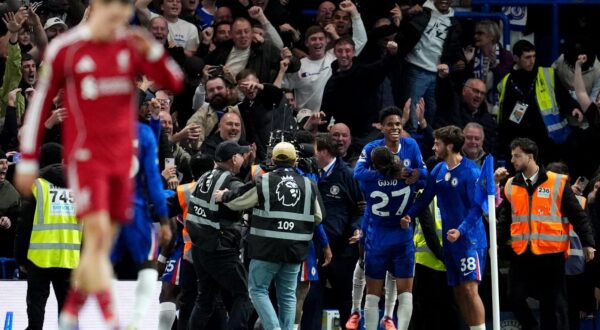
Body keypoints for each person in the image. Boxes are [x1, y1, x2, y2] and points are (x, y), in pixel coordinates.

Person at [14, 0, 183, 327]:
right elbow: (39, 104)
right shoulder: (67, 49)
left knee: (104, 246)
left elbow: (173, 83)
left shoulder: (131, 46)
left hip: (118, 165)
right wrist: (28, 160)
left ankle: (85, 315)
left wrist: (152, 49)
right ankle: (107, 320)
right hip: (85, 161)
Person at [214, 142, 323, 330]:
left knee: (257, 290)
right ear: (295, 161)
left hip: (266, 249)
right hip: (295, 250)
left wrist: (224, 196)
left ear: (273, 160)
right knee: (288, 295)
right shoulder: (308, 184)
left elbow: (239, 200)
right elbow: (318, 217)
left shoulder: (264, 181)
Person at [497, 138, 596, 330]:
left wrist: (588, 243)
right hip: (522, 252)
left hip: (551, 254)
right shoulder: (511, 185)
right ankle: (532, 327)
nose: (512, 160)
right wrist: (497, 243)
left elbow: (578, 216)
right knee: (513, 296)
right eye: (511, 156)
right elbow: (504, 218)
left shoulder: (556, 182)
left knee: (551, 304)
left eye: (517, 156)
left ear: (530, 156)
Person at [402, 125, 487, 330]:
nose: (433, 148)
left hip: (470, 241)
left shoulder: (470, 171)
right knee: (458, 291)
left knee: (469, 289)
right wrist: (409, 215)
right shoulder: (439, 170)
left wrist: (461, 230)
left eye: (437, 144)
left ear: (448, 146)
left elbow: (477, 209)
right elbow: (426, 197)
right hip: (451, 244)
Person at [351, 106, 427, 330]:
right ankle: (360, 313)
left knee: (380, 291)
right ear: (381, 127)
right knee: (387, 288)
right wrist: (396, 175)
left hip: (389, 231)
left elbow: (424, 173)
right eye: (390, 124)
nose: (395, 128)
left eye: (397, 124)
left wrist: (417, 174)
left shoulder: (410, 146)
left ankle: (379, 319)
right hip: (388, 229)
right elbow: (358, 173)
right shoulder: (372, 148)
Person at [183, 141, 253, 329]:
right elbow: (249, 197)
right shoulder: (231, 182)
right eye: (241, 155)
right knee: (245, 294)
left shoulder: (205, 176)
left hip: (199, 248)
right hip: (220, 249)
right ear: (233, 159)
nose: (243, 158)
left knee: (205, 299)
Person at [110, 121, 172, 329]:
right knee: (147, 268)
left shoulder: (97, 128)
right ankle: (136, 319)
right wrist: (164, 220)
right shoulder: (142, 133)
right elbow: (153, 181)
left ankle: (109, 318)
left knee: (105, 268)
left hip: (108, 213)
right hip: (135, 211)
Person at [14, 143, 81, 330]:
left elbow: (24, 224)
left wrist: (20, 258)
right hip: (70, 259)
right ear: (62, 161)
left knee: (36, 311)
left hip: (39, 258)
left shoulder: (36, 186)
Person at [301, 133, 363, 330]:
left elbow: (362, 207)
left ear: (324, 152)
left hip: (343, 251)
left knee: (348, 302)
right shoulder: (309, 174)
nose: (310, 155)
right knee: (311, 301)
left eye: (314, 150)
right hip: (316, 250)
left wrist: (358, 228)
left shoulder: (348, 174)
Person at [497, 40, 580, 165]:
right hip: (520, 140)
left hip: (547, 139)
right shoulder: (507, 82)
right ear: (516, 58)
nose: (532, 61)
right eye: (527, 57)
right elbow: (505, 115)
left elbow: (563, 96)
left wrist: (573, 107)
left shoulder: (547, 74)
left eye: (534, 56)